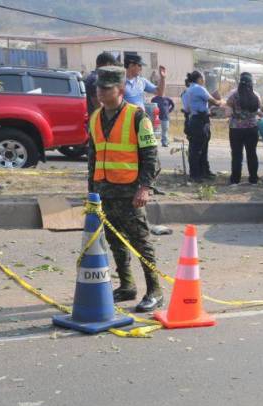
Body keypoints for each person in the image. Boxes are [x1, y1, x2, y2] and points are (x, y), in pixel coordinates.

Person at [87, 66, 163, 313]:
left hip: (130, 192)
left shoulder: (138, 117)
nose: (100, 92)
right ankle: (127, 286)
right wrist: (91, 193)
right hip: (105, 191)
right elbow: (93, 156)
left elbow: (151, 156)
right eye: (99, 87)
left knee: (141, 242)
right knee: (115, 241)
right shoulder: (96, 117)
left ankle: (154, 290)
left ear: (120, 90)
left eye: (106, 88)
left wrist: (145, 188)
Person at [181, 71, 223, 182]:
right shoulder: (199, 89)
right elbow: (215, 102)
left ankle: (202, 172)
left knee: (197, 148)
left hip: (192, 120)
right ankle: (196, 175)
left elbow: (190, 108)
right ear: (199, 79)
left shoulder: (187, 91)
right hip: (200, 121)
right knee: (199, 149)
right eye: (203, 78)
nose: (204, 81)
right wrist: (222, 101)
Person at [226, 72, 262, 185]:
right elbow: (258, 111)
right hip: (252, 128)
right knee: (252, 154)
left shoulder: (233, 96)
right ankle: (253, 179)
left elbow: (227, 113)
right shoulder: (256, 96)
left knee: (236, 155)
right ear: (251, 83)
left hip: (236, 129)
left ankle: (235, 180)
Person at [84, 52, 119, 117]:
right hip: (99, 121)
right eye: (113, 65)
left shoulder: (96, 77)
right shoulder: (95, 79)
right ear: (108, 64)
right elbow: (97, 103)